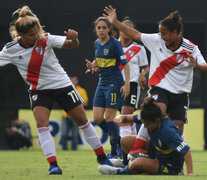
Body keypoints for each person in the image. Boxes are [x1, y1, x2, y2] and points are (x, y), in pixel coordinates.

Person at [0, 6, 113, 175]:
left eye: (37, 31)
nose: (36, 36)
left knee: (82, 120)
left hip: (62, 85)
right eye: (32, 34)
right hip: (39, 90)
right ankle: (53, 165)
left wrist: (74, 39)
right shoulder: (10, 49)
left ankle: (102, 157)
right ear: (20, 35)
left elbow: (72, 45)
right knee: (41, 125)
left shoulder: (46, 38)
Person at [103, 5, 207, 161]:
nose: (161, 35)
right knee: (155, 112)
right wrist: (116, 22)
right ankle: (137, 149)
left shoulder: (191, 48)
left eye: (164, 33)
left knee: (176, 131)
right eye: (160, 32)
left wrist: (197, 65)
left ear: (175, 33)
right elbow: (135, 34)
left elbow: (204, 66)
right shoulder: (156, 40)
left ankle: (173, 164)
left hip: (180, 95)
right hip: (160, 88)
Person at [98, 97, 194, 175]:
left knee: (138, 163)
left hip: (169, 165)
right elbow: (126, 117)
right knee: (125, 141)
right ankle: (126, 163)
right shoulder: (150, 117)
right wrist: (119, 118)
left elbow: (186, 150)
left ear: (156, 120)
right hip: (156, 152)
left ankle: (118, 172)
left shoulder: (168, 131)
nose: (146, 126)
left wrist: (190, 173)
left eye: (147, 125)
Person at [85, 16, 130, 158]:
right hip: (102, 83)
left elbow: (126, 64)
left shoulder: (115, 44)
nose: (101, 30)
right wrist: (92, 66)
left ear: (110, 29)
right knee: (97, 118)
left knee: (110, 117)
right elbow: (99, 61)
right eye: (99, 28)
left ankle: (115, 153)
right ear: (95, 30)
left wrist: (127, 83)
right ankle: (119, 142)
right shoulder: (97, 43)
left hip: (114, 83)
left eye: (104, 27)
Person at [60, 75, 89, 150]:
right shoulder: (65, 90)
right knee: (63, 134)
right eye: (72, 80)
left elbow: (85, 103)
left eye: (74, 80)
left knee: (75, 135)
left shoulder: (82, 90)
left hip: (76, 115)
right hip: (65, 115)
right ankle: (64, 151)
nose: (73, 81)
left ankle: (74, 151)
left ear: (77, 81)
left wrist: (74, 102)